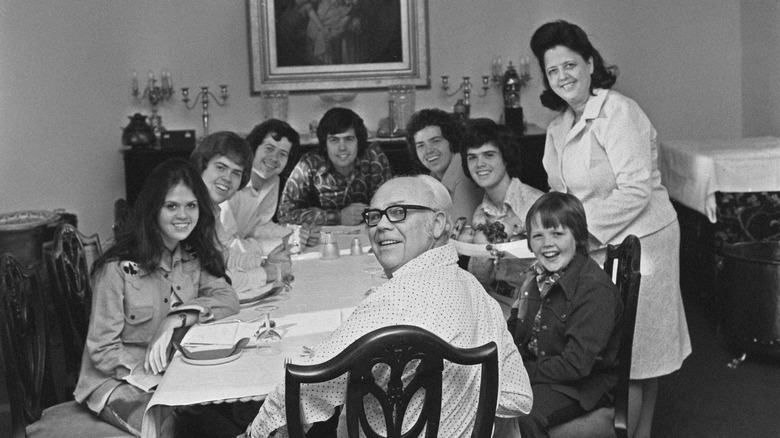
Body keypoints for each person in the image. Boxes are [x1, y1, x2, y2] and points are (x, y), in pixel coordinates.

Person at [246, 175, 532, 438]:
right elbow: (516, 395)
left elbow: (302, 387)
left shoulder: (392, 301)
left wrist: (252, 435)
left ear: (437, 223)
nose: (381, 225)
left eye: (398, 212)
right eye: (374, 216)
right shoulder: (476, 292)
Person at [530, 20, 691, 438]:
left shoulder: (619, 111)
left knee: (638, 357)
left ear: (589, 63)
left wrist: (577, 235)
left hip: (645, 242)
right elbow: (558, 194)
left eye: (570, 65)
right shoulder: (558, 127)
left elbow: (636, 188)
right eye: (553, 71)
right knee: (617, 353)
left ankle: (640, 432)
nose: (563, 76)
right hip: (599, 244)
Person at [74, 158, 240, 436]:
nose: (183, 215)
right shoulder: (118, 268)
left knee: (231, 422)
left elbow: (227, 298)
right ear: (153, 209)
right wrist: (159, 378)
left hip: (172, 378)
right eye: (171, 206)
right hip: (116, 382)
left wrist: (176, 318)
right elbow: (103, 351)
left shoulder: (191, 256)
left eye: (191, 206)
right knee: (170, 429)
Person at [508, 192, 622, 437]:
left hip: (580, 386)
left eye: (557, 234)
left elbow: (576, 365)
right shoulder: (536, 278)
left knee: (519, 416)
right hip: (547, 373)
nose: (546, 243)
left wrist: (519, 372)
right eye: (538, 235)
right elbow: (516, 330)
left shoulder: (593, 289)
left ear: (578, 236)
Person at [189, 132, 291, 296]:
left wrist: (265, 263)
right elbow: (209, 283)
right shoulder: (187, 210)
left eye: (236, 173)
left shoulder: (211, 209)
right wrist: (268, 273)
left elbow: (224, 257)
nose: (227, 178)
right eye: (220, 167)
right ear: (202, 165)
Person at [460, 118, 544, 295]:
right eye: (472, 157)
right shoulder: (480, 214)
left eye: (489, 155)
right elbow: (479, 279)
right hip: (494, 301)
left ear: (505, 158)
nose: (479, 164)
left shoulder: (536, 204)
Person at [278, 107, 392, 226]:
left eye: (349, 139)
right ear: (324, 144)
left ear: (359, 141)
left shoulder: (374, 156)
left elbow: (390, 205)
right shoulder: (310, 163)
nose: (342, 147)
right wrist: (337, 217)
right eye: (334, 140)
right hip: (322, 239)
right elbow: (284, 214)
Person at [231, 119, 321, 248]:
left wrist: (297, 234)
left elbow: (259, 227)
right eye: (269, 148)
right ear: (253, 147)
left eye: (282, 154)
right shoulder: (233, 181)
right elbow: (228, 244)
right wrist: (281, 243)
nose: (274, 158)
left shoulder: (273, 181)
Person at [405, 108, 483, 223]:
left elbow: (461, 230)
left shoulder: (464, 172)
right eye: (421, 145)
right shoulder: (434, 176)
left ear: (451, 141)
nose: (428, 151)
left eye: (435, 141)